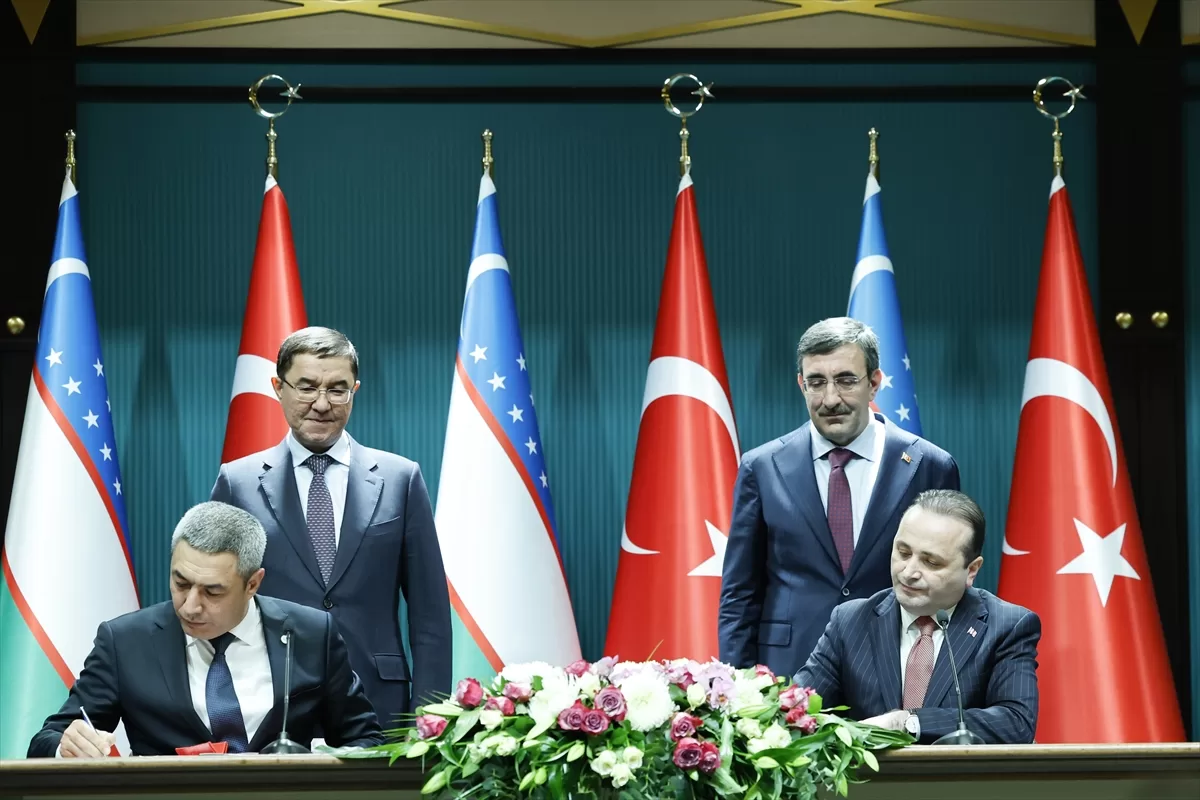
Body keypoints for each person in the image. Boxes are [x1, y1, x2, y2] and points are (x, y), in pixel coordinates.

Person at [210, 327, 451, 729]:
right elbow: (214, 601)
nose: (321, 404)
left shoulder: (401, 479)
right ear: (278, 388)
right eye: (306, 387)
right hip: (267, 705)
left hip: (380, 703)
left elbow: (430, 616)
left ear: (354, 391)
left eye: (337, 390)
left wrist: (429, 719)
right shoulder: (237, 482)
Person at [28, 502, 383, 757]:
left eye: (213, 592)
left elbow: (366, 739)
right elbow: (46, 739)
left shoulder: (311, 633)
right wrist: (67, 745)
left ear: (253, 584)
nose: (190, 606)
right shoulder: (124, 642)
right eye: (181, 583)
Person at [719, 317, 960, 676]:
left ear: (874, 383)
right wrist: (737, 686)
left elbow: (950, 585)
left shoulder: (929, 466)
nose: (831, 399)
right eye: (817, 382)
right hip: (787, 672)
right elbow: (740, 593)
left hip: (896, 669)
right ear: (801, 385)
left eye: (846, 380)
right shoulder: (762, 467)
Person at [794, 490, 1040, 744]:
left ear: (972, 570)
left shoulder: (1007, 626)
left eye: (931, 562)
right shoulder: (850, 621)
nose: (909, 572)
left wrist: (905, 722)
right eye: (903, 552)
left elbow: (1016, 723)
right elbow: (796, 712)